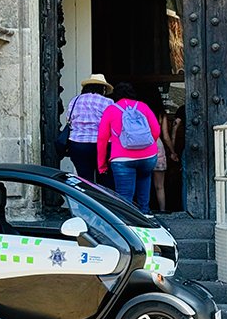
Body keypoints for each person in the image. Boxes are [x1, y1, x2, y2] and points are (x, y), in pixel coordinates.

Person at [96, 82, 161, 214]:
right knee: (144, 180)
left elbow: (102, 139)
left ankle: (128, 224)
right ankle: (145, 213)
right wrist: (145, 145)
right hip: (148, 157)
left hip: (122, 158)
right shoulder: (143, 106)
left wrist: (102, 164)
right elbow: (156, 130)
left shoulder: (111, 110)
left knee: (125, 196)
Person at [66, 74, 115, 186]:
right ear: (102, 88)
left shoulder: (74, 101)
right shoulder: (107, 102)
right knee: (104, 181)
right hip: (101, 146)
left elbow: (69, 119)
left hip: (78, 145)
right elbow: (113, 124)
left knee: (84, 180)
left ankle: (84, 202)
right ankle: (100, 203)